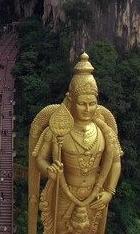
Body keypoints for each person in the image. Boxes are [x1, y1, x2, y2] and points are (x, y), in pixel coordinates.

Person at [28, 53, 123, 234]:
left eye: (92, 104)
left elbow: (116, 161)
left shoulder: (104, 132)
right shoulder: (57, 130)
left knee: (91, 230)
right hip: (64, 192)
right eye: (82, 104)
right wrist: (49, 170)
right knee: (60, 230)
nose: (87, 109)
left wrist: (109, 192)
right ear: (71, 101)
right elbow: (39, 159)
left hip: (94, 193)